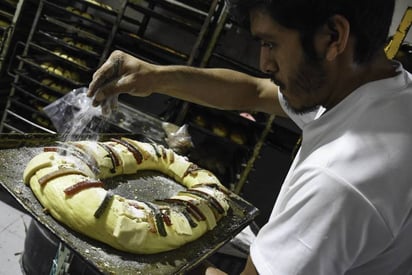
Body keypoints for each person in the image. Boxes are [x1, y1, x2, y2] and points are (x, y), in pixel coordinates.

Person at [87, 0, 412, 274]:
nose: (264, 62)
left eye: (271, 44)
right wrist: (155, 77)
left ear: (333, 37)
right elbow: (254, 91)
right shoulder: (383, 91)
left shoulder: (337, 181)